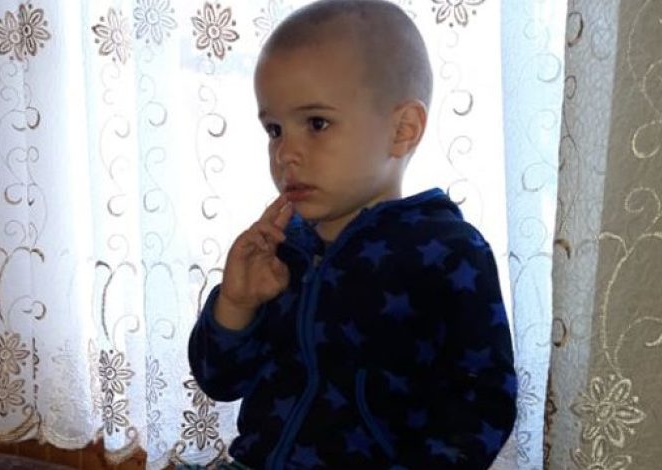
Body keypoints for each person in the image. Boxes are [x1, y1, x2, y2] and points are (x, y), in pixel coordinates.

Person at [187, 1, 517, 468]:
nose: (285, 153)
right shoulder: (280, 249)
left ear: (403, 130)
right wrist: (236, 306)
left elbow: (482, 405)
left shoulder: (447, 252)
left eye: (316, 123)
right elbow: (220, 380)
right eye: (274, 129)